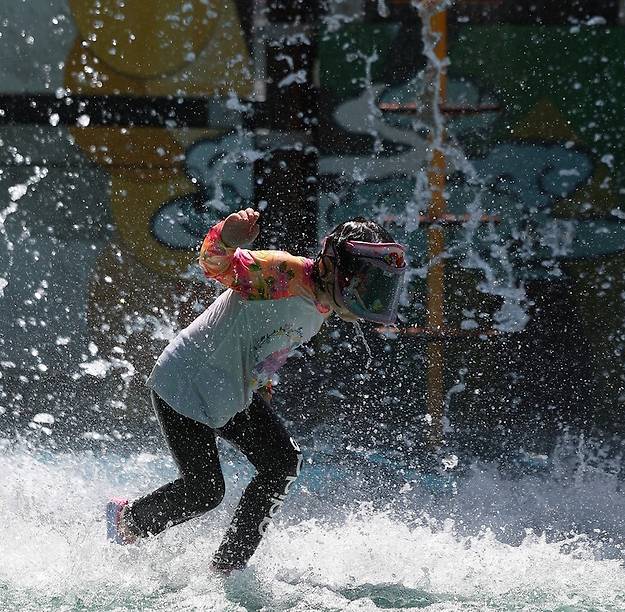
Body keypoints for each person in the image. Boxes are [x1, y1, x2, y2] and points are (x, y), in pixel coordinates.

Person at [106, 207, 407, 574]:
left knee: (281, 462)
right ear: (332, 264)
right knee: (204, 492)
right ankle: (126, 520)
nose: (368, 297)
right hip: (185, 382)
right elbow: (215, 266)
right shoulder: (284, 273)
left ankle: (227, 569)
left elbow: (267, 348)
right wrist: (227, 237)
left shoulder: (323, 306)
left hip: (230, 390)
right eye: (363, 282)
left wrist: (261, 390)